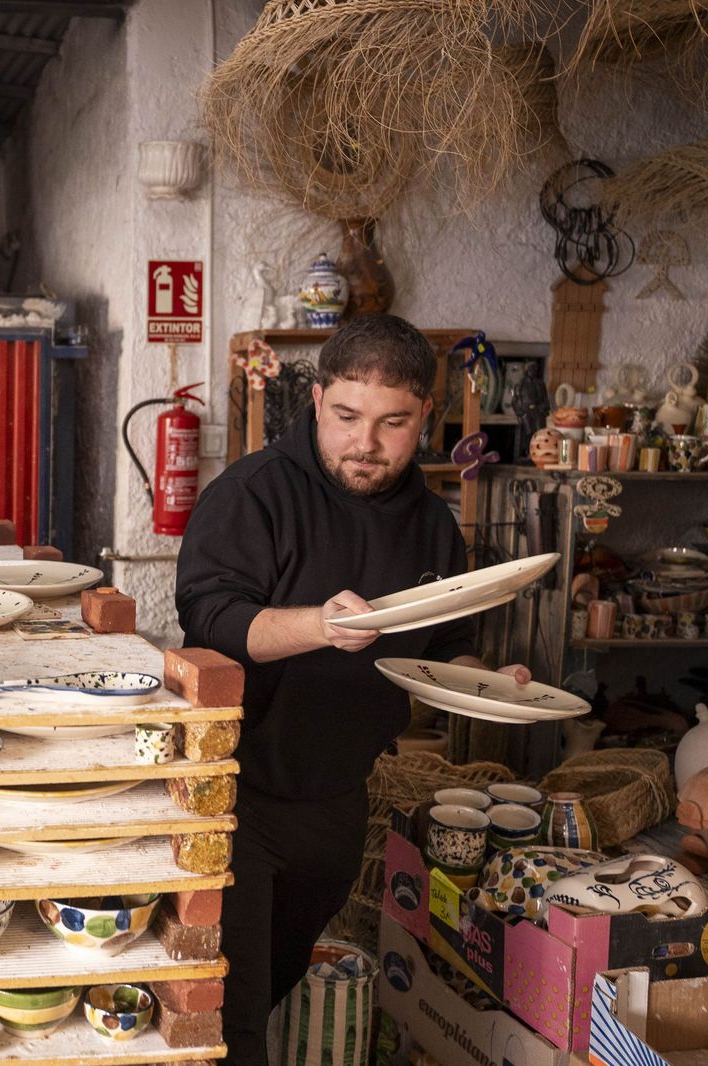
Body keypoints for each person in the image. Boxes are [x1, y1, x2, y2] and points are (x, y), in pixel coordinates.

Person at [174, 313, 529, 1065]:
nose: (365, 442)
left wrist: (492, 685)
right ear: (317, 400)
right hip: (235, 793)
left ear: (424, 416)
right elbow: (210, 617)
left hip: (338, 795)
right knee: (229, 1013)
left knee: (279, 973)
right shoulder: (255, 493)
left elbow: (445, 648)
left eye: (393, 422)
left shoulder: (434, 525)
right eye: (346, 417)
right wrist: (317, 626)